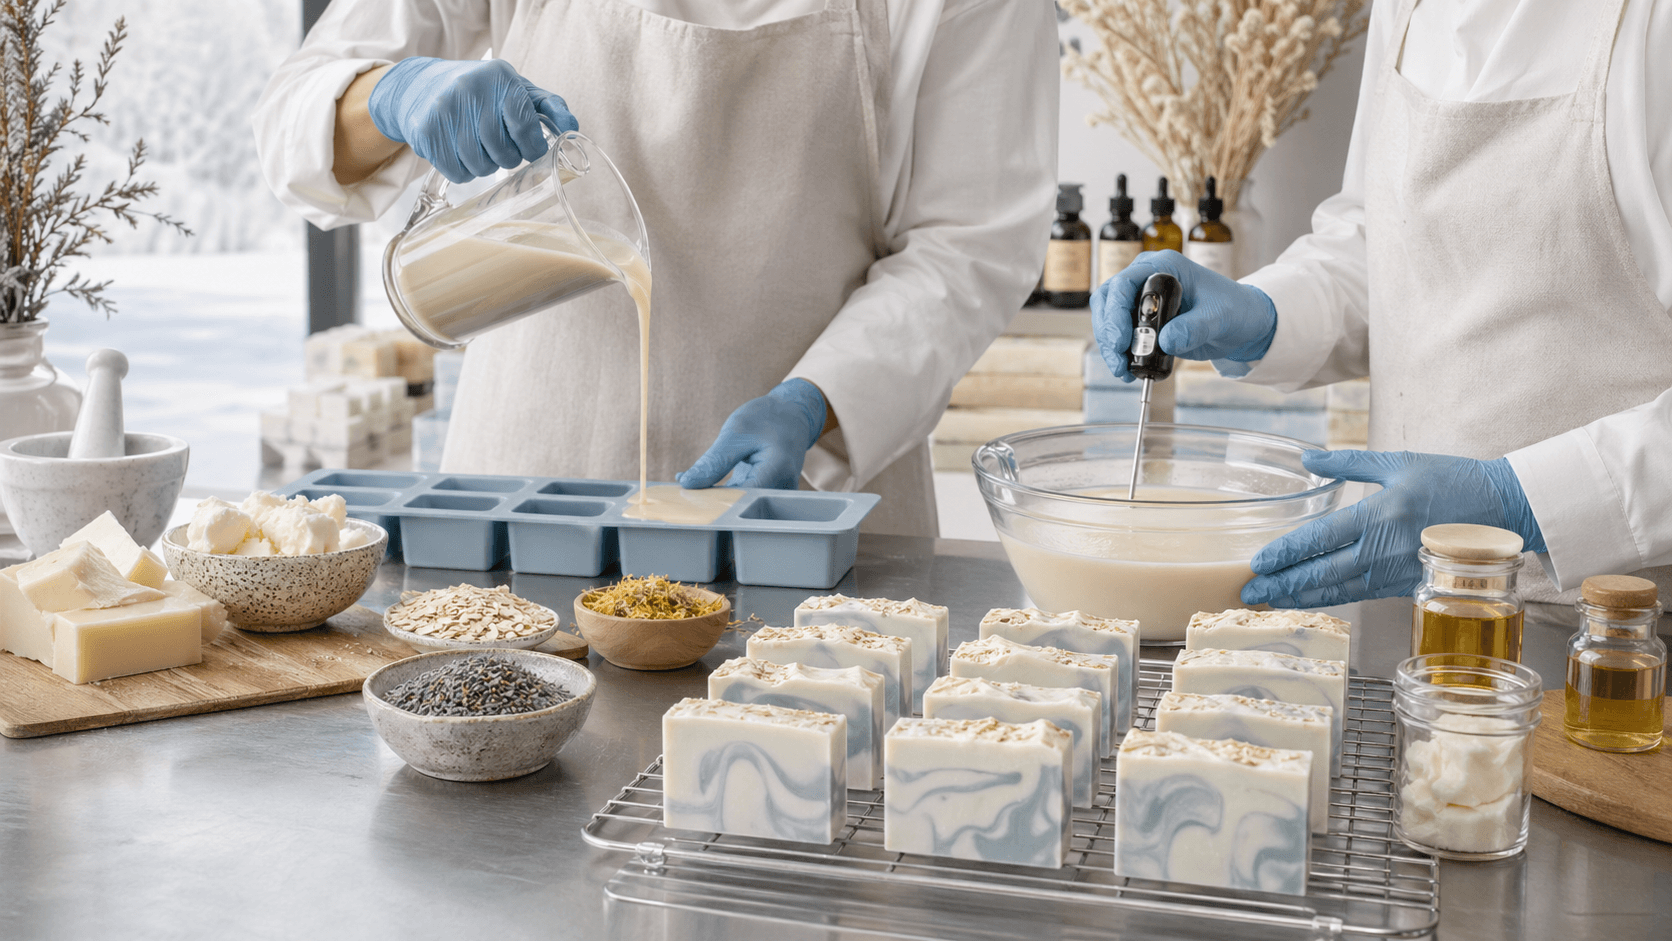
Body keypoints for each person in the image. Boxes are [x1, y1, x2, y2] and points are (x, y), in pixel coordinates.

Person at [254, 0, 1058, 536]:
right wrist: (394, 91)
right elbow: (293, 116)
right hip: (527, 501)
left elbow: (969, 240)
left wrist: (815, 406)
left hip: (808, 510)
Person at [1093, 0, 1672, 607]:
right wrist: (1265, 312)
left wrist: (1519, 500)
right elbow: (1383, 237)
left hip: (1621, 638)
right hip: (1414, 604)